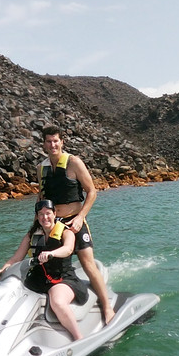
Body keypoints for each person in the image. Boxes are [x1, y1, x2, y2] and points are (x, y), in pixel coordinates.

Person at [37, 124, 114, 325]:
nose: (52, 144)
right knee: (51, 264)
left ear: (62, 142)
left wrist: (80, 217)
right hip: (54, 224)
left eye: (56, 141)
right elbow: (42, 196)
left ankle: (107, 306)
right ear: (44, 144)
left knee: (88, 263)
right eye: (48, 141)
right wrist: (37, 224)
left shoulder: (74, 163)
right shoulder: (42, 168)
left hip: (74, 221)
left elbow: (92, 191)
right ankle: (59, 303)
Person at [0, 199, 85, 340]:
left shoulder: (66, 232)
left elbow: (68, 249)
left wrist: (52, 253)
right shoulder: (32, 235)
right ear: (37, 217)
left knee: (58, 302)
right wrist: (4, 269)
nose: (45, 217)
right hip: (36, 280)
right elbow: (16, 258)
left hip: (61, 279)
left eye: (48, 213)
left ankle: (79, 338)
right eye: (41, 214)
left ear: (54, 214)